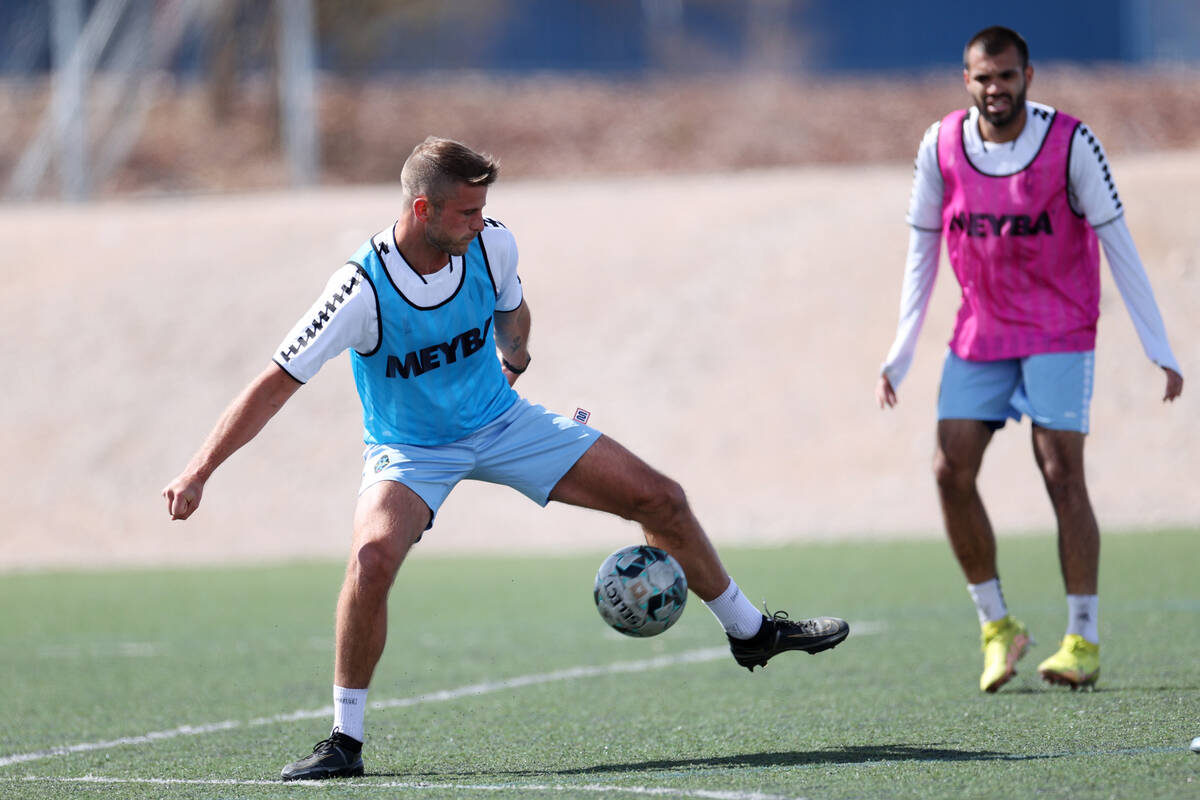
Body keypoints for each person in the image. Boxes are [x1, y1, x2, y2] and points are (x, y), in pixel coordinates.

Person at [163, 136, 849, 781]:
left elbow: (514, 313)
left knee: (661, 498)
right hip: (409, 451)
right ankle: (344, 741)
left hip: (503, 422)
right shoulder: (360, 290)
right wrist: (199, 470)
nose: (481, 222)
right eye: (467, 211)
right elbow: (273, 384)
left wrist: (513, 357)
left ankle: (751, 631)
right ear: (422, 209)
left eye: (484, 208)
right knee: (371, 561)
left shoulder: (492, 245)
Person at [875, 26, 1183, 694]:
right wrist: (899, 353)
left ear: (1028, 77)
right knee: (948, 468)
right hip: (981, 332)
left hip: (1059, 327)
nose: (996, 90)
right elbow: (922, 250)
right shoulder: (940, 145)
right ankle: (997, 627)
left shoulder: (1071, 143)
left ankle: (1082, 638)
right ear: (967, 81)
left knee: (1060, 471)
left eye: (1007, 77)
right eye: (984, 78)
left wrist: (1159, 346)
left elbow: (1119, 242)